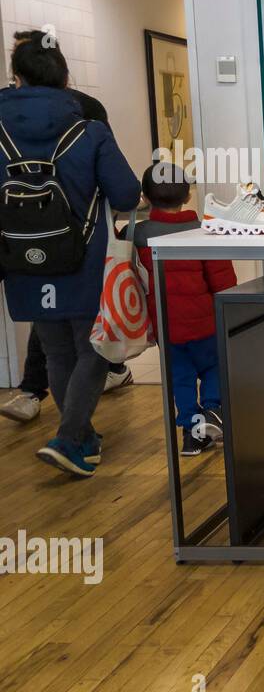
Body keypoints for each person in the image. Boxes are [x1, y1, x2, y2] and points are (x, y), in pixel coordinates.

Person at [0, 35, 140, 476]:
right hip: (83, 258)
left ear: (16, 77)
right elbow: (127, 194)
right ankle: (69, 436)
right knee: (95, 348)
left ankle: (81, 438)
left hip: (22, 260)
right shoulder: (89, 129)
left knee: (57, 351)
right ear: (65, 79)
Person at [134, 163, 235, 456]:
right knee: (214, 366)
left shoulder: (137, 235)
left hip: (167, 325)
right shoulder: (202, 231)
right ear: (188, 196)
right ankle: (213, 411)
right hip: (205, 323)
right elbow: (223, 281)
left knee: (181, 377)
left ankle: (191, 432)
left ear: (145, 197)